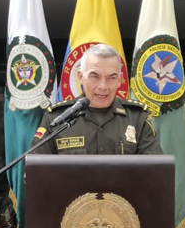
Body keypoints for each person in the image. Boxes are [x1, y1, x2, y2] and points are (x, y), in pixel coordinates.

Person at [30, 43, 161, 155]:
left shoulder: (137, 118)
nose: (103, 86)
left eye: (111, 78)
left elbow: (156, 170)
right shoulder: (57, 119)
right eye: (94, 76)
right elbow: (35, 169)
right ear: (80, 77)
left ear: (120, 80)